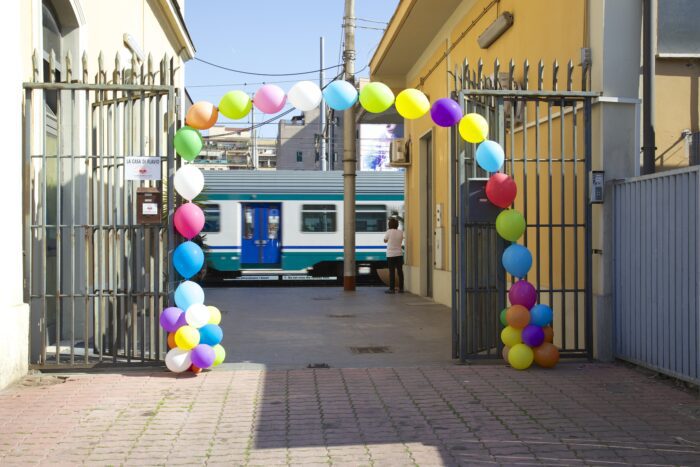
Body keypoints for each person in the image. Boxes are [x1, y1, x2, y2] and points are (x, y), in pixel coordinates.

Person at [383, 217, 404, 294]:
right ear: (397, 225)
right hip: (399, 254)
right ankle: (401, 288)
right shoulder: (401, 232)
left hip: (391, 254)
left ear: (389, 225)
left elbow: (385, 240)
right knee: (400, 271)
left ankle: (391, 289)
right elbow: (401, 240)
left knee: (392, 272)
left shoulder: (389, 232)